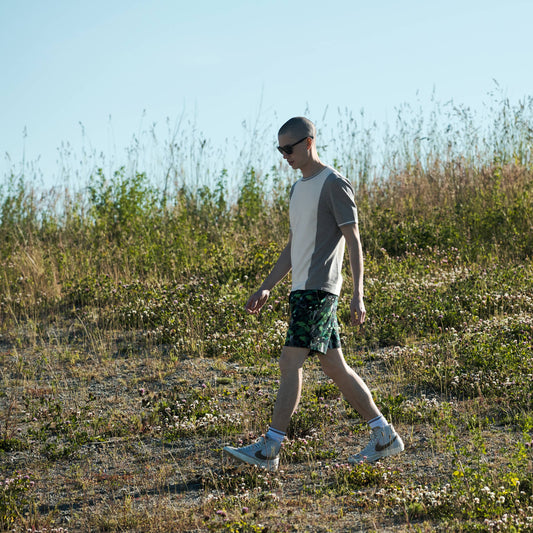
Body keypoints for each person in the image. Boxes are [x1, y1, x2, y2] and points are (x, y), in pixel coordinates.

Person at [223, 117, 404, 471]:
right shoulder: (297, 189)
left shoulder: (334, 184)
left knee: (290, 362)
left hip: (319, 290)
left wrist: (358, 293)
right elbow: (294, 246)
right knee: (334, 366)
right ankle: (384, 436)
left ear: (308, 143)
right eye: (280, 149)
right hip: (300, 290)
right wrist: (267, 285)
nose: (284, 155)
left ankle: (269, 449)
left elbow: (353, 240)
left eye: (288, 148)